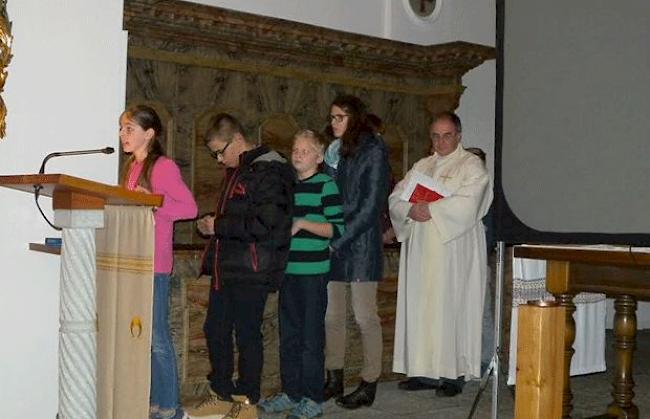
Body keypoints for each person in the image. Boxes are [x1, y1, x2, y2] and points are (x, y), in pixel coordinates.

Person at [187, 113, 294, 419]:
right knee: (216, 329)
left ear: (236, 139)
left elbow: (266, 224)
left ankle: (248, 400)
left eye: (220, 151)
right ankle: (220, 393)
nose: (219, 160)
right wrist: (212, 223)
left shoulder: (271, 170)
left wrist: (217, 225)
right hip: (228, 266)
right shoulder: (241, 169)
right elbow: (238, 216)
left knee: (247, 334)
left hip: (253, 268)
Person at [389, 111, 493, 397]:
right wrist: (410, 209)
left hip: (454, 250)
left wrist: (431, 209)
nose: (441, 141)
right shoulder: (422, 165)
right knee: (422, 308)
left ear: (458, 136)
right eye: (435, 135)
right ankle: (424, 370)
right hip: (421, 250)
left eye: (447, 135)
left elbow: (471, 202)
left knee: (452, 308)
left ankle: (453, 373)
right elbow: (396, 196)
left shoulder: (472, 166)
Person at [119, 104, 198, 419]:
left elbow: (190, 208)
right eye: (122, 128)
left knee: (157, 338)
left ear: (149, 133)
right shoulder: (132, 167)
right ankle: (152, 403)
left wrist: (153, 206)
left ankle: (170, 407)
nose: (123, 135)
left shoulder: (163, 167)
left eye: (129, 129)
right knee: (141, 338)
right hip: (134, 261)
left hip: (155, 263)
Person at [258, 130, 344, 418]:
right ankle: (291, 392)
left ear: (319, 158)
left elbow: (337, 228)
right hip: (288, 271)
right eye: (295, 149)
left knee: (310, 339)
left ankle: (314, 398)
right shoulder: (288, 186)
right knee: (289, 336)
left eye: (305, 151)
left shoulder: (326, 185)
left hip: (313, 273)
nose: (298, 154)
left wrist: (305, 223)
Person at [322, 95, 390, 409]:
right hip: (335, 241)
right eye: (332, 117)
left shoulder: (373, 150)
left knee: (365, 317)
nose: (333, 123)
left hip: (359, 244)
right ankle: (333, 377)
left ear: (354, 118)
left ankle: (369, 382)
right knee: (332, 316)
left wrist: (337, 239)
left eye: (339, 117)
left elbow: (370, 207)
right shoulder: (335, 152)